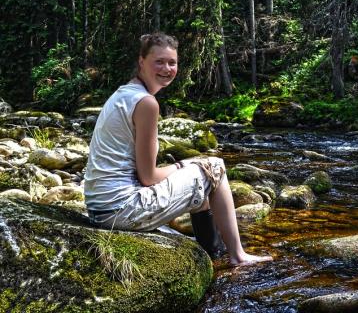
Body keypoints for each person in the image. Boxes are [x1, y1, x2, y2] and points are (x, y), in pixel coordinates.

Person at [84, 32, 272, 266]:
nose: (167, 68)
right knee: (214, 166)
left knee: (199, 184)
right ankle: (238, 255)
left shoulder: (124, 94)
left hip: (100, 209)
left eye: (172, 62)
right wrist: (184, 164)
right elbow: (148, 177)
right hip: (120, 211)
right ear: (141, 61)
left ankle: (211, 258)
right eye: (159, 61)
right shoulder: (146, 103)